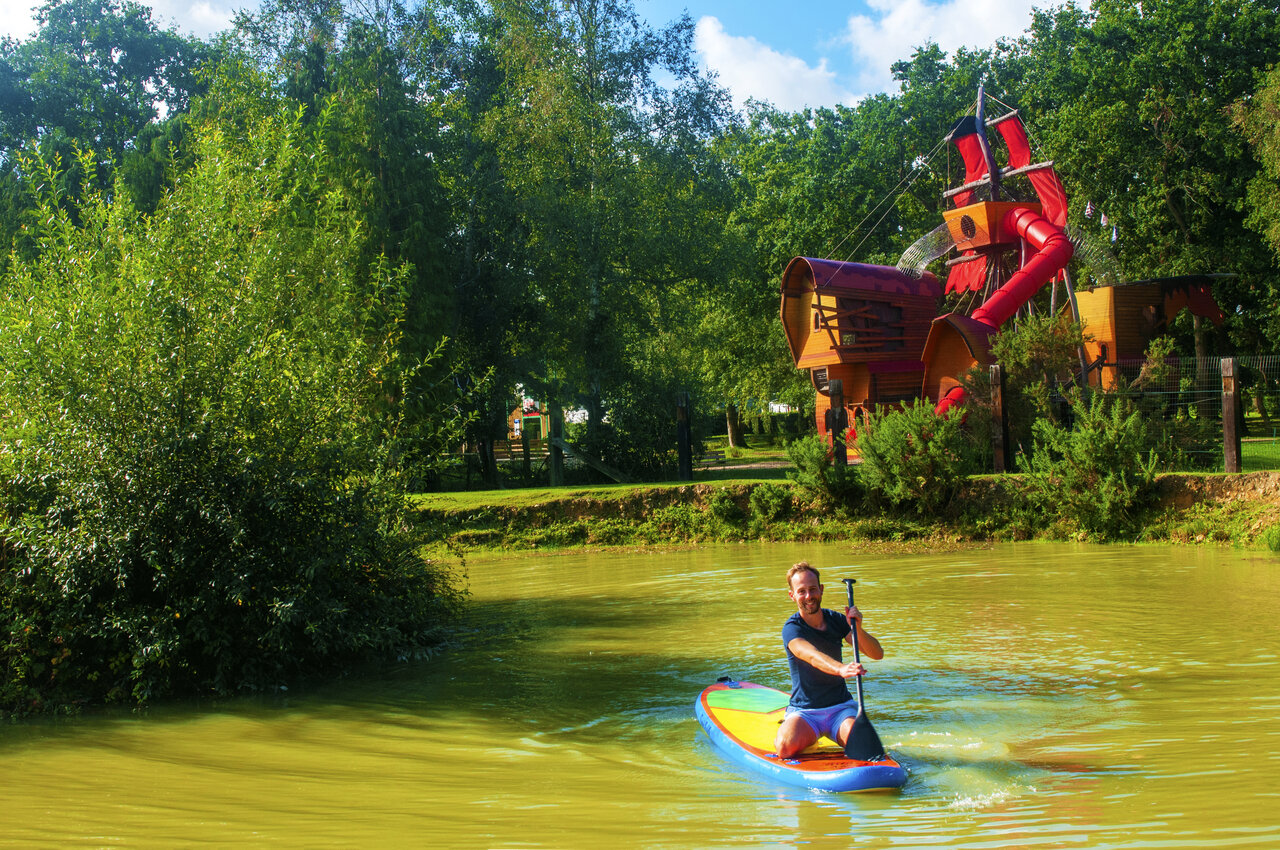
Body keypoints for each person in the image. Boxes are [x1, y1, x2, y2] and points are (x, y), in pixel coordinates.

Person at [774, 561, 884, 758]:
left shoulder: (836, 620)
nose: (809, 596)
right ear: (792, 596)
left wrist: (857, 628)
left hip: (840, 709)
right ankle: (809, 737)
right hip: (805, 711)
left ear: (821, 590)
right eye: (801, 591)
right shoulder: (792, 628)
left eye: (813, 589)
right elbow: (810, 654)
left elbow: (877, 653)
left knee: (861, 748)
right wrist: (840, 669)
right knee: (784, 747)